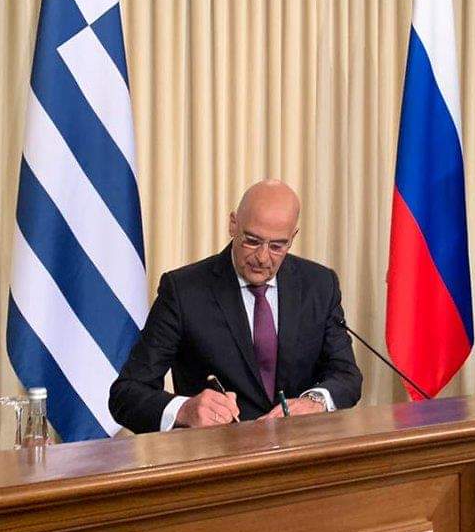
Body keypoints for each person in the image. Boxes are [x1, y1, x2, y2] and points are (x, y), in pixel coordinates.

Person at [109, 179, 362, 431]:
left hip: (301, 451)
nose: (262, 257)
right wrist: (184, 410)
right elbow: (126, 394)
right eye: (252, 240)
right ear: (233, 225)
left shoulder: (319, 285)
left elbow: (346, 375)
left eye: (277, 246)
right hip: (219, 452)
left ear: (292, 238)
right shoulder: (183, 291)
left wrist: (315, 402)